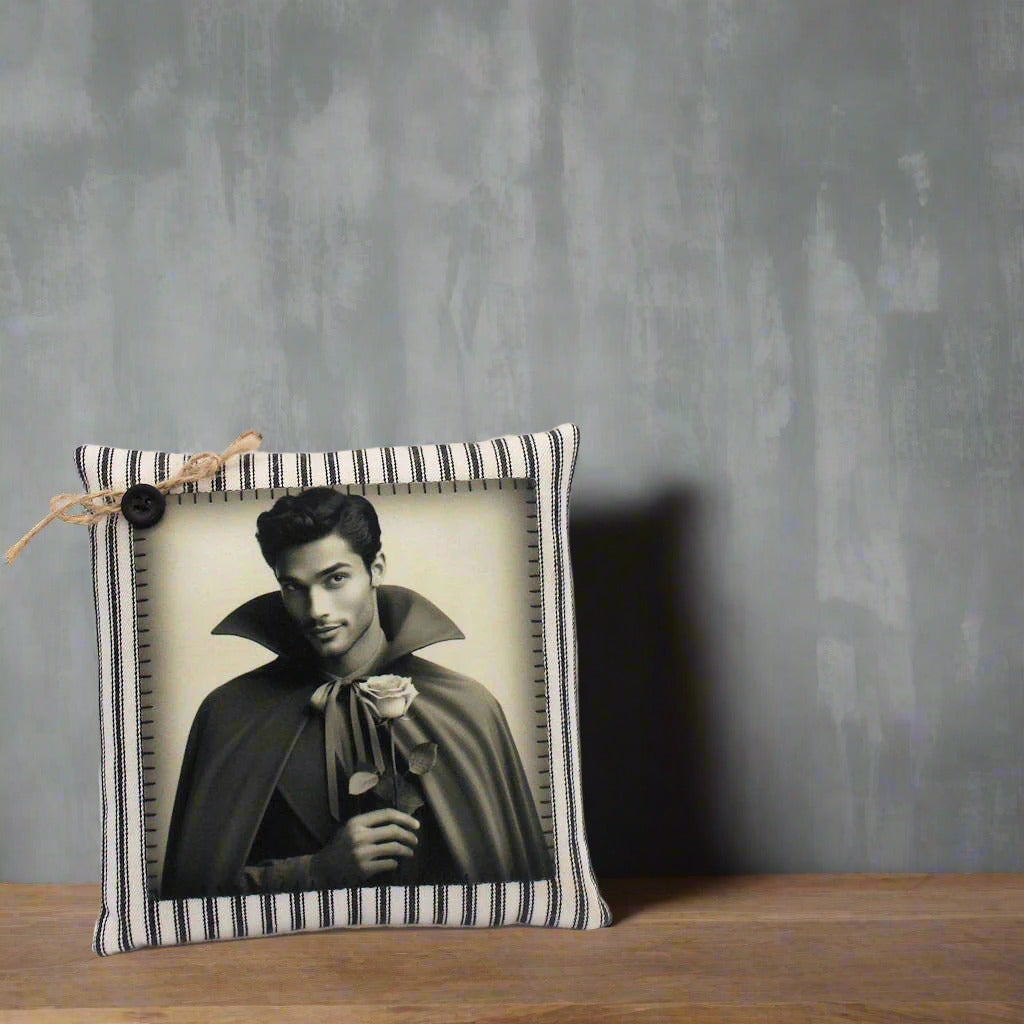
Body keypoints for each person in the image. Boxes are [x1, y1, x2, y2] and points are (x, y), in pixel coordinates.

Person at [160, 487, 553, 898]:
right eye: (294, 586)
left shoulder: (466, 708)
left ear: (376, 569)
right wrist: (316, 870)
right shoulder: (230, 715)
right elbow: (192, 899)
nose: (317, 609)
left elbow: (515, 886)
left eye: (336, 579)